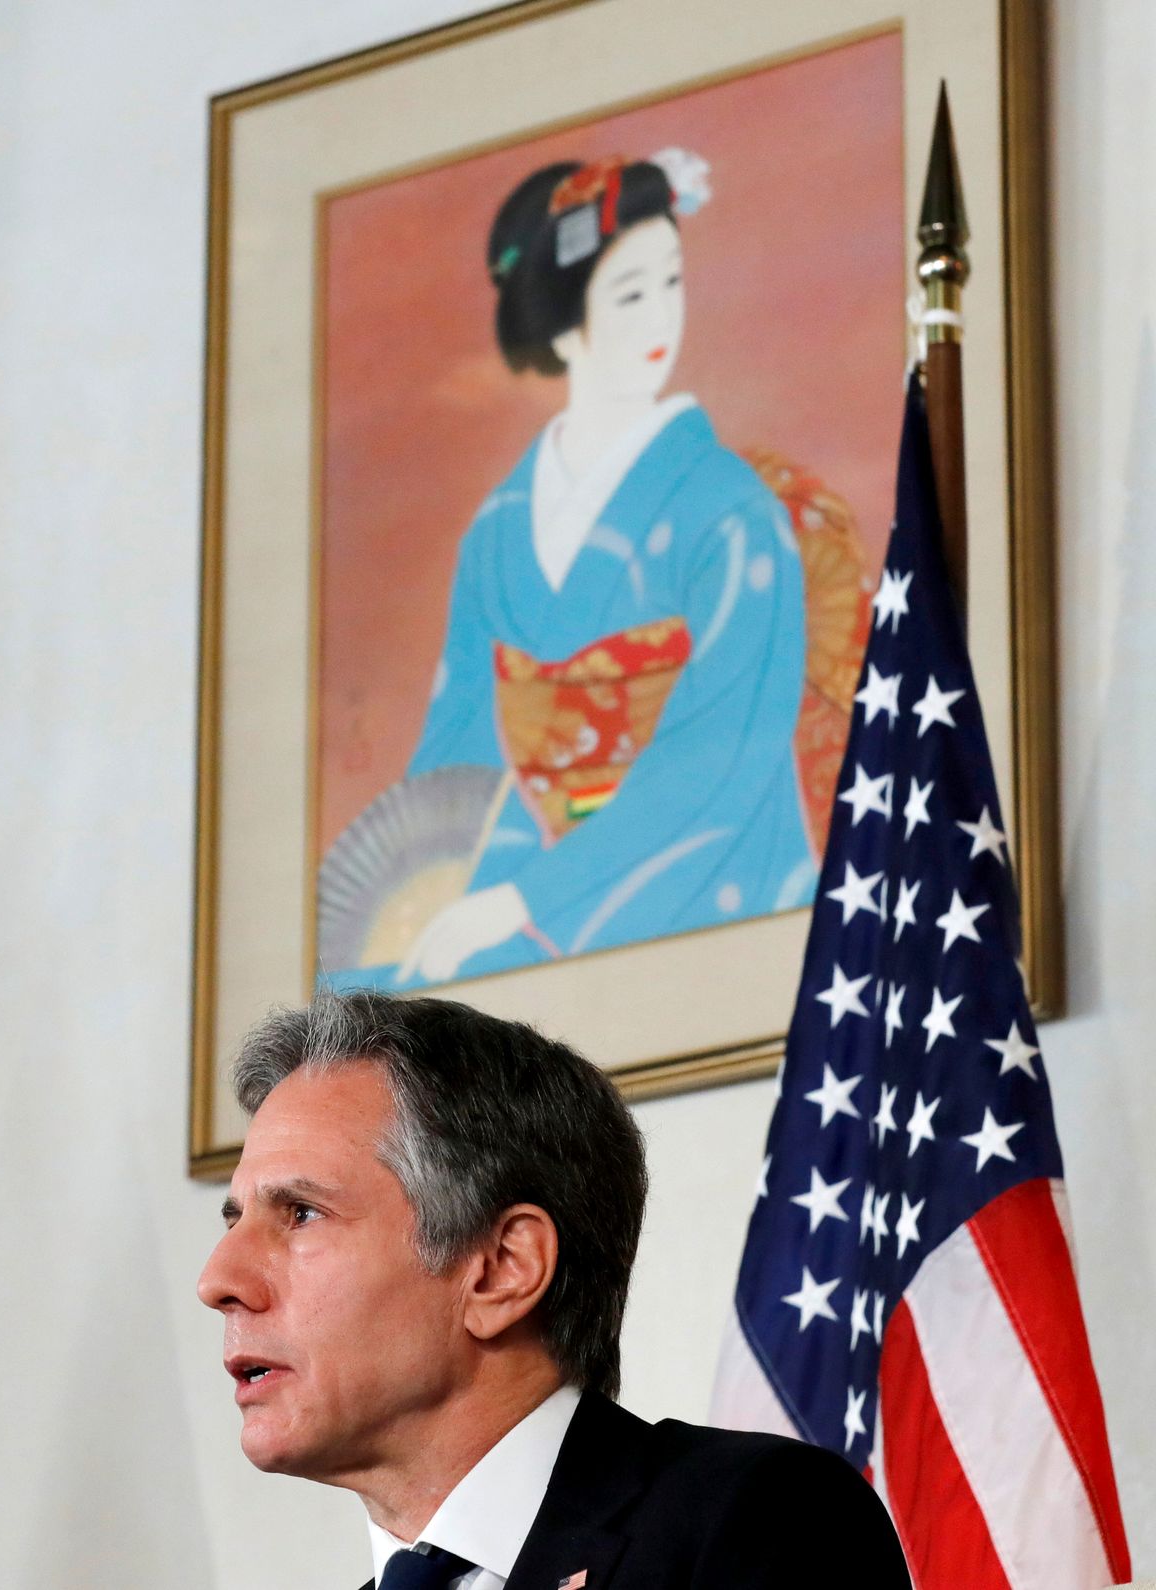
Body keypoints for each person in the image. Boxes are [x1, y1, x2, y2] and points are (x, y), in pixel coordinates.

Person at [198, 991, 911, 1588]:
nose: (218, 1281)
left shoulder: (756, 1524)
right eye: (235, 1219)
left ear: (502, 1269)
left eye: (301, 1213)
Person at [328, 153, 816, 992]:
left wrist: (523, 900)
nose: (663, 313)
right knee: (367, 987)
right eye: (630, 294)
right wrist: (430, 900)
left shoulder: (728, 510)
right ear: (562, 325)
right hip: (532, 866)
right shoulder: (497, 533)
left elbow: (723, 761)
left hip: (701, 867)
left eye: (672, 280)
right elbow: (460, 762)